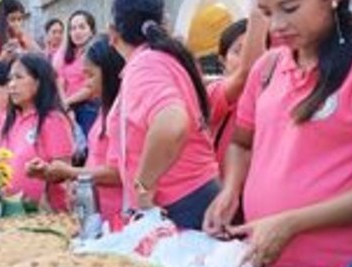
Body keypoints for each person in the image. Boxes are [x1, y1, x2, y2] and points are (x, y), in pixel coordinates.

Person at [203, 0, 352, 267]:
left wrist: (294, 223)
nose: (276, 26)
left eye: (290, 8)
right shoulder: (268, 66)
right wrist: (231, 189)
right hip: (268, 265)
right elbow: (242, 143)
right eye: (267, 13)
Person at [106, 0, 221, 229]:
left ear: (112, 33)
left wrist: (143, 185)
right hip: (195, 193)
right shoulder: (161, 58)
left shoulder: (145, 65)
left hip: (181, 202)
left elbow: (172, 123)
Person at [45, 34, 125, 223]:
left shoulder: (121, 113)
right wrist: (76, 182)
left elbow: (118, 173)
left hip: (118, 213)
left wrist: (71, 172)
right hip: (98, 210)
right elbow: (96, 158)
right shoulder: (104, 109)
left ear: (110, 71)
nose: (86, 83)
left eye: (90, 75)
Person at [0, 53, 74, 212]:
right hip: (7, 212)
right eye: (10, 79)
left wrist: (44, 171)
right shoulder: (7, 120)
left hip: (46, 216)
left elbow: (64, 172)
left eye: (19, 77)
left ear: (38, 82)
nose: (12, 85)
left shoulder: (53, 120)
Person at [206, 10, 268, 171]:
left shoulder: (273, 93)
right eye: (238, 51)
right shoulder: (213, 91)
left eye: (255, 49)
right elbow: (247, 73)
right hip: (220, 190)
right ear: (222, 60)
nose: (246, 57)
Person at [54, 10, 99, 138]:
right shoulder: (65, 53)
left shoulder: (95, 52)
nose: (77, 32)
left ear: (91, 30)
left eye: (82, 27)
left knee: (87, 146)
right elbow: (59, 79)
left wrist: (67, 103)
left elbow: (91, 88)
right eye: (73, 28)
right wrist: (65, 107)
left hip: (88, 106)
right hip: (66, 106)